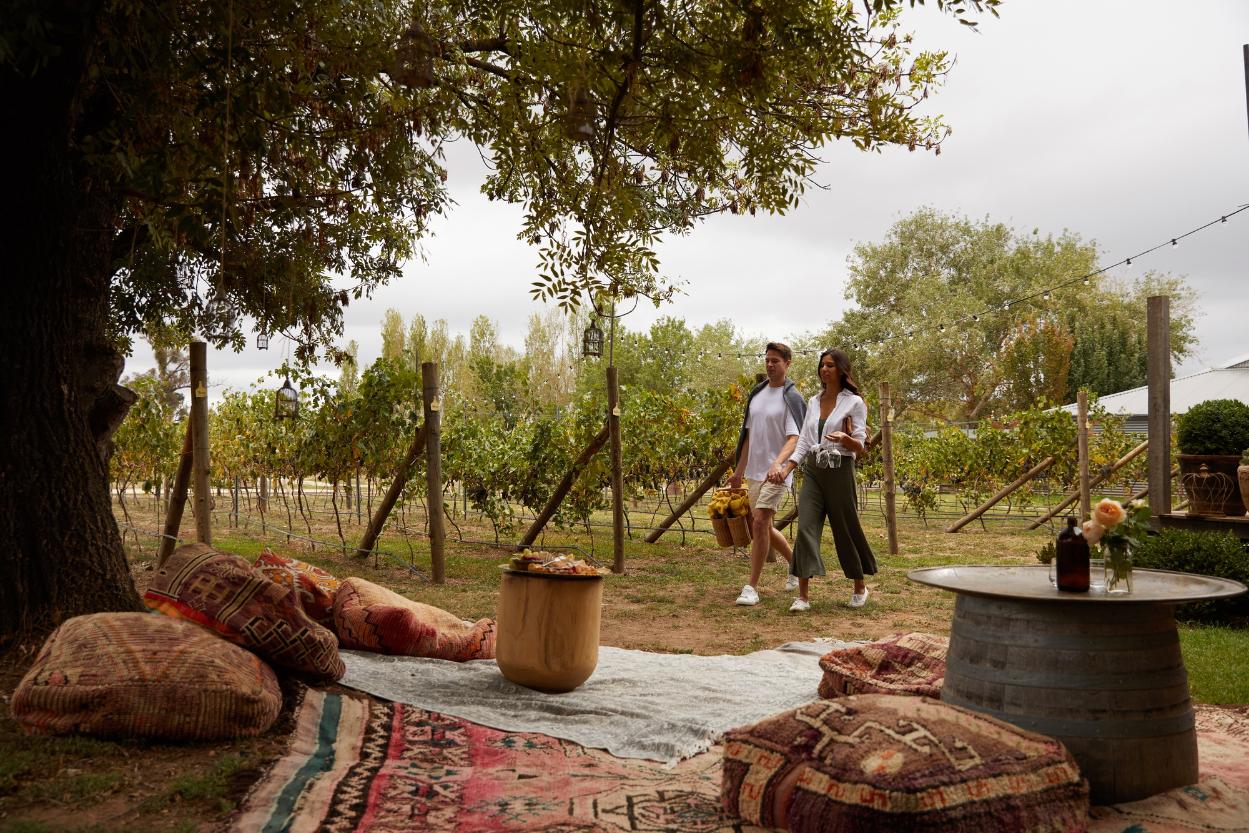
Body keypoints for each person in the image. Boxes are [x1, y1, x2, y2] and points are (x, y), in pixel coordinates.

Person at [776, 348, 876, 611]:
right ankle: (803, 596)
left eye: (830, 365)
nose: (824, 369)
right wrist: (787, 469)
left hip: (840, 469)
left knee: (845, 529)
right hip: (814, 470)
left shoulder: (854, 403)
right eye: (822, 365)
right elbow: (805, 441)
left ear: (841, 370)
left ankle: (859, 586)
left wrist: (846, 439)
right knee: (806, 526)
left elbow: (861, 447)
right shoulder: (812, 401)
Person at [727, 342, 805, 606]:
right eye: (767, 360)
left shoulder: (791, 398)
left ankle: (751, 587)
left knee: (759, 522)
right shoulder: (757, 395)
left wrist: (778, 464)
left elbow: (795, 438)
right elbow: (748, 436)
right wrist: (738, 472)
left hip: (778, 473)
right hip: (755, 472)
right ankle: (796, 564)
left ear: (788, 363)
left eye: (776, 361)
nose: (770, 365)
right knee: (764, 526)